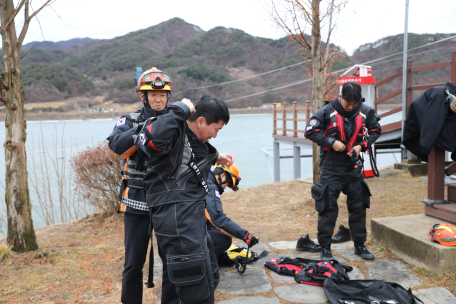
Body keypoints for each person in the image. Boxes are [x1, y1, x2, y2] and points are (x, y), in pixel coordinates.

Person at [135, 95, 233, 304]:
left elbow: (187, 158)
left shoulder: (192, 137)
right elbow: (151, 141)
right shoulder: (171, 131)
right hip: (176, 219)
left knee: (204, 277)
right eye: (216, 129)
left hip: (191, 217)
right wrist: (180, 108)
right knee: (195, 288)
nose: (215, 136)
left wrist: (216, 157)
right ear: (200, 121)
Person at [107, 67, 172, 304]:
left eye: (163, 95)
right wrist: (143, 129)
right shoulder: (128, 120)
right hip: (136, 200)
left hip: (167, 201)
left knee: (172, 260)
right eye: (153, 94)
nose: (158, 99)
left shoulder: (176, 120)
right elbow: (115, 145)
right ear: (142, 95)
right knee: (133, 263)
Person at [304, 81, 381, 262]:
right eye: (348, 104)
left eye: (354, 104)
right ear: (340, 97)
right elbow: (310, 131)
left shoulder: (366, 111)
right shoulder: (326, 111)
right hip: (331, 167)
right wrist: (331, 142)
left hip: (354, 166)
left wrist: (361, 146)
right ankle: (325, 248)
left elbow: (376, 130)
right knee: (328, 208)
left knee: (358, 207)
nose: (351, 107)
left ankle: (360, 245)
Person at [205, 163, 259, 260]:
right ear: (222, 176)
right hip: (187, 234)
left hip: (181, 228)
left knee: (216, 230)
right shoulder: (211, 188)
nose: (225, 188)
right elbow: (217, 218)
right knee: (225, 240)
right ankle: (202, 263)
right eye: (228, 184)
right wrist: (245, 235)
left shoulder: (204, 178)